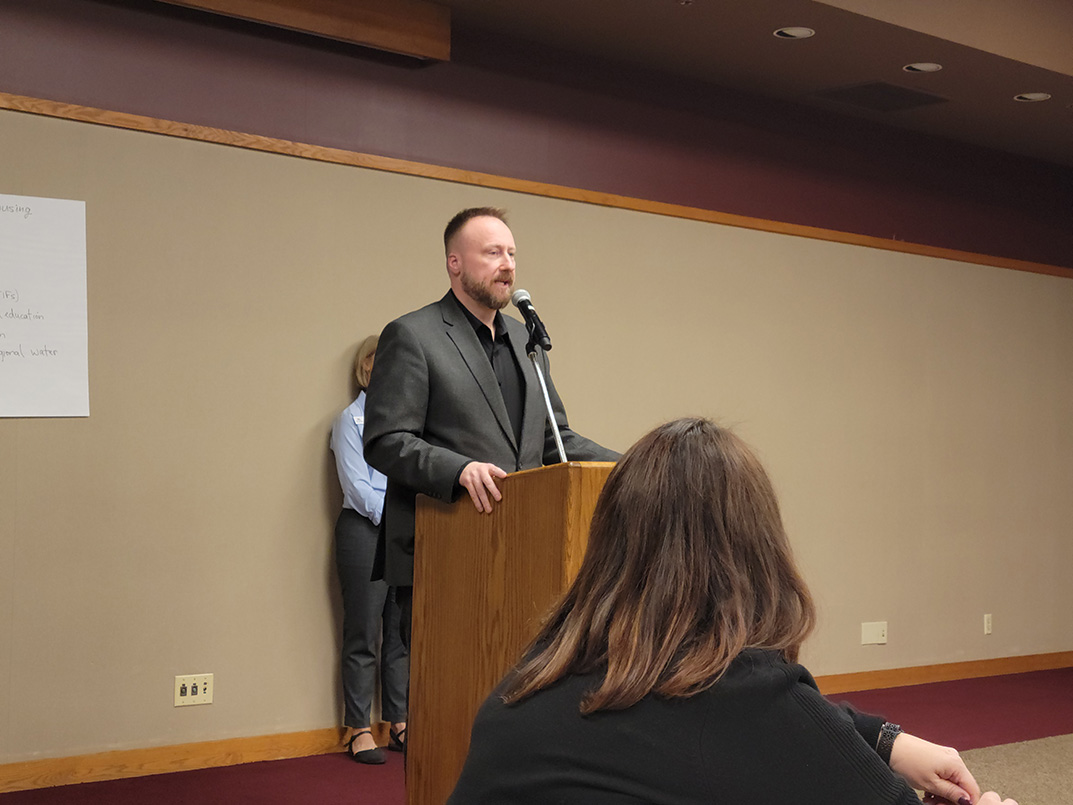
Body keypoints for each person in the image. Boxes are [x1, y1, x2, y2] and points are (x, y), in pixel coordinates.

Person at [448, 418, 1018, 805]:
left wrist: (886, 740)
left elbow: (772, 725)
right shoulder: (745, 699)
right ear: (753, 551)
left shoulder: (519, 692)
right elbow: (770, 722)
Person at [363, 207, 619, 645]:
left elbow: (554, 439)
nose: (508, 265)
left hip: (528, 547)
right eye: (493, 252)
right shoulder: (413, 335)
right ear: (454, 263)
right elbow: (386, 441)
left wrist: (633, 465)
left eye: (512, 253)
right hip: (449, 549)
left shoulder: (526, 339)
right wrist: (458, 469)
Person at [329, 335, 408, 764]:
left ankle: (399, 722)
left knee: (399, 632)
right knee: (363, 632)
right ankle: (359, 727)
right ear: (366, 368)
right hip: (364, 531)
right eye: (382, 362)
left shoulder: (407, 423)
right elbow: (358, 487)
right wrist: (399, 519)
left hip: (402, 532)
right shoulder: (349, 421)